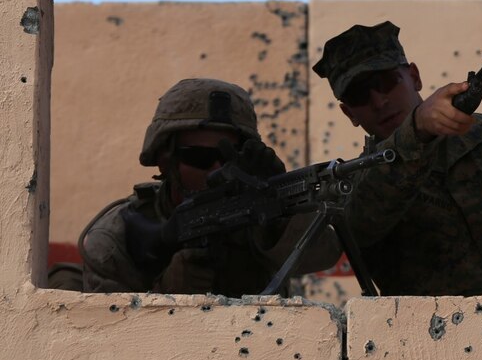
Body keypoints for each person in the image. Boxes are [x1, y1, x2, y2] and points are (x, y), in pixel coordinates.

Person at [313, 21, 482, 296]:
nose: (379, 101)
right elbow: (363, 222)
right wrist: (416, 130)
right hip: (438, 336)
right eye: (360, 95)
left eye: (386, 82)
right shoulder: (350, 186)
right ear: (350, 114)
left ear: (414, 77)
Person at [74, 78, 338, 295]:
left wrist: (280, 205)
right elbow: (110, 341)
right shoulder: (116, 237)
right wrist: (168, 295)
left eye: (229, 157)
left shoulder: (256, 213)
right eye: (198, 157)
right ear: (165, 160)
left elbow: (322, 255)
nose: (216, 170)